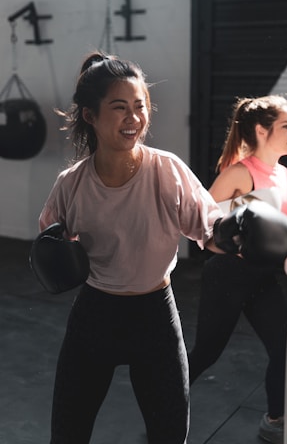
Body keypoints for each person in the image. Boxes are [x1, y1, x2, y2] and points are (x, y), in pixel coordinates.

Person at [38, 50, 225, 444]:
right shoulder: (71, 184)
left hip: (155, 314)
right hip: (95, 315)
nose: (134, 118)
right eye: (120, 108)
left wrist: (234, 234)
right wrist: (53, 254)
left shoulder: (167, 170)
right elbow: (48, 243)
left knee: (170, 434)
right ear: (90, 115)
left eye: (140, 107)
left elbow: (208, 225)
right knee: (67, 433)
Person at [188, 95, 287, 444]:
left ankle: (275, 421)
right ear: (262, 130)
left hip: (264, 276)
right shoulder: (237, 173)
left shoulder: (283, 173)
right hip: (228, 275)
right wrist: (233, 239)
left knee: (285, 348)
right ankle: (161, 396)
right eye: (285, 125)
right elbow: (203, 229)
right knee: (207, 352)